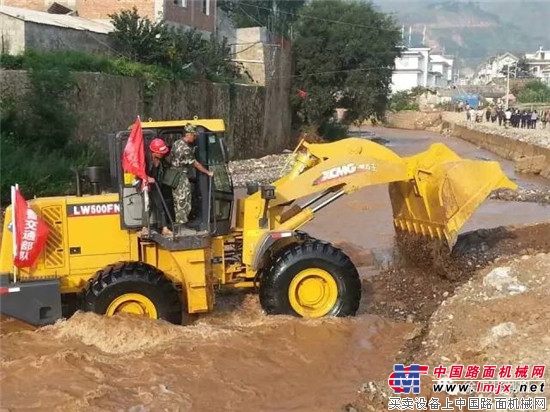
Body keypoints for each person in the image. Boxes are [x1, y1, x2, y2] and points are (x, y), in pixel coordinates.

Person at [168, 123, 213, 229]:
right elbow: (195, 164)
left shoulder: (176, 143)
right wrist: (208, 172)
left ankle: (181, 222)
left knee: (178, 199)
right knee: (183, 200)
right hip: (180, 177)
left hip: (175, 175)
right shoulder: (185, 149)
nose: (195, 137)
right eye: (194, 135)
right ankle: (182, 225)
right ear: (188, 134)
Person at [139, 138, 174, 237]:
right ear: (154, 152)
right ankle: (145, 228)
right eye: (160, 152)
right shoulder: (144, 158)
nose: (162, 154)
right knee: (147, 205)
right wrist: (147, 178)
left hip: (155, 185)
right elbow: (138, 172)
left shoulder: (161, 160)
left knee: (160, 204)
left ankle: (164, 228)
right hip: (145, 185)